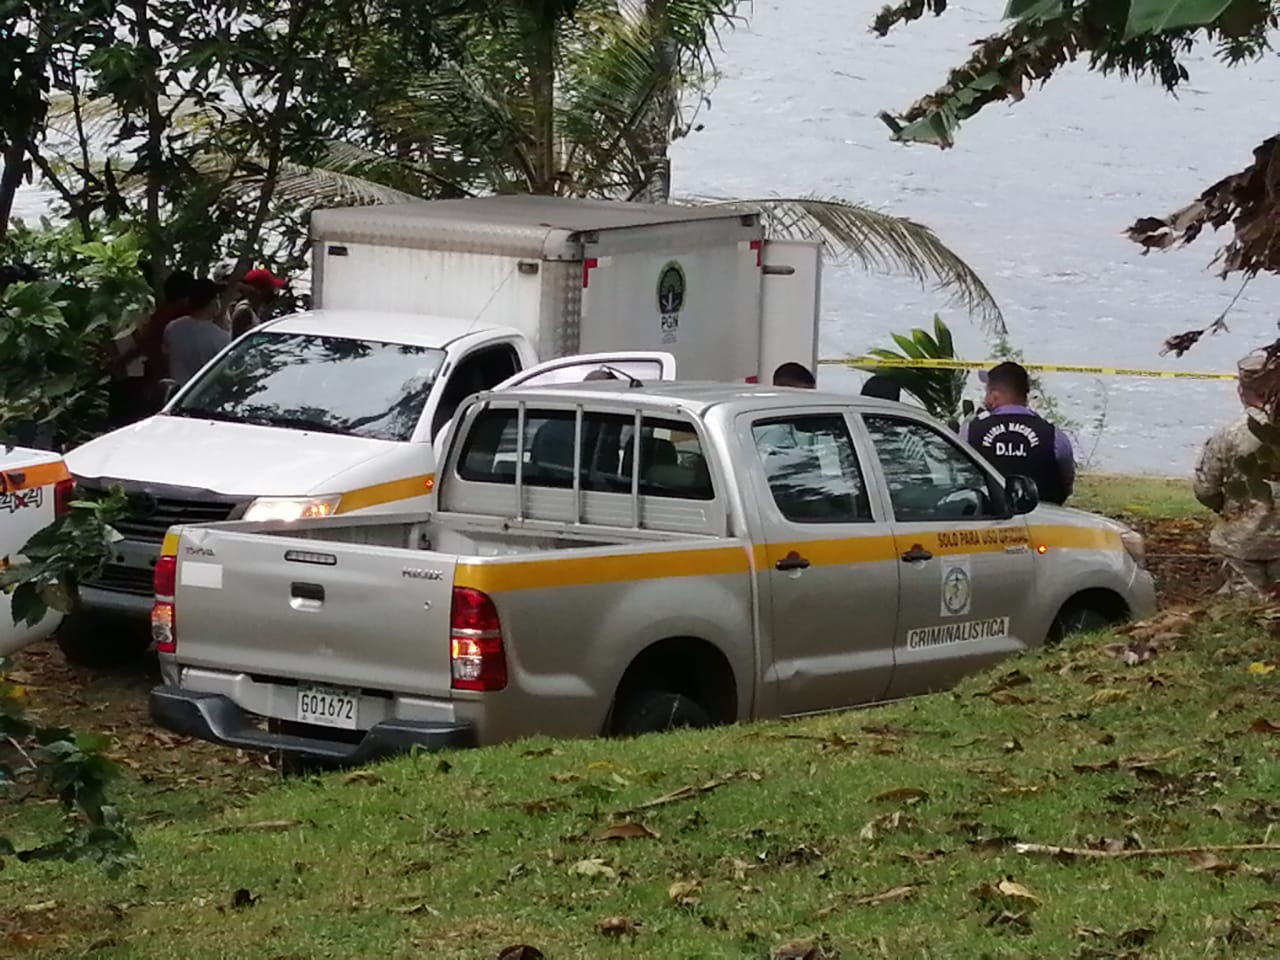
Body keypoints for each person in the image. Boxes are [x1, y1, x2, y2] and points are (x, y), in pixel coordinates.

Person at [1193, 350, 1280, 596]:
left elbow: (1205, 489)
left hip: (1241, 540)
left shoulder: (1230, 435)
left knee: (1247, 612)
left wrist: (1230, 510)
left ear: (1242, 392)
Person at [963, 360, 1074, 505]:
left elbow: (958, 474)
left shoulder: (970, 431)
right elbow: (1066, 484)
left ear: (994, 395)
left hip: (987, 519)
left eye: (987, 392)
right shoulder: (1054, 436)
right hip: (1042, 519)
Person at [163, 278, 229, 386]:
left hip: (176, 392)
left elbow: (166, 358)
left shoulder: (172, 327)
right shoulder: (221, 337)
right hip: (202, 396)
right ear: (213, 302)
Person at [229, 268, 285, 338]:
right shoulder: (244, 312)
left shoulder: (254, 309)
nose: (273, 293)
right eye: (270, 289)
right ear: (259, 291)